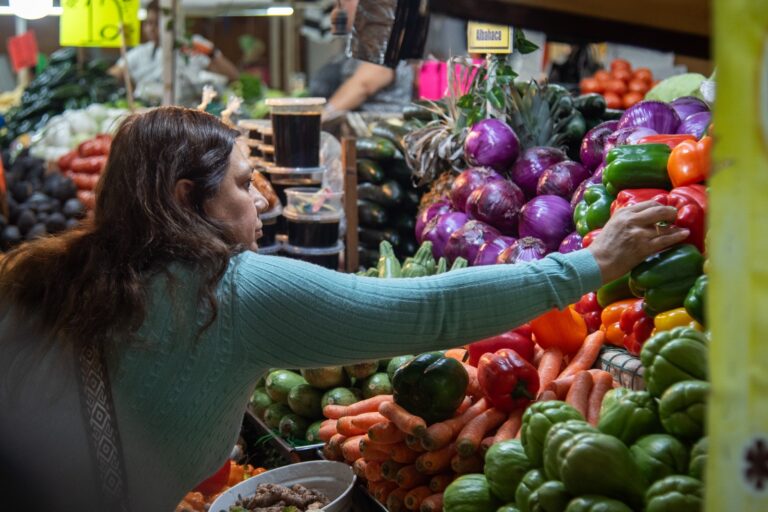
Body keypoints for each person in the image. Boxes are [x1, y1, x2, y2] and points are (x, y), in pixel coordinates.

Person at [0, 106, 688, 511]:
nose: (262, 203)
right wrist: (590, 265)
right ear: (187, 200)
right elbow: (429, 311)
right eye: (243, 185)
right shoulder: (231, 292)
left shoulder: (54, 271)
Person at [108, 0, 240, 106]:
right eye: (148, 23)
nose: (150, 29)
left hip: (185, 114)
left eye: (156, 24)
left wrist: (210, 53)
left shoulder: (192, 45)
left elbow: (232, 74)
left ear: (173, 23)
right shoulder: (141, 52)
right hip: (148, 113)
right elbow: (114, 73)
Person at [311, 0, 414, 118]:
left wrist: (322, 116)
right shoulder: (357, 42)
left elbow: (363, 85)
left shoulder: (383, 36)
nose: (339, 9)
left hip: (381, 130)